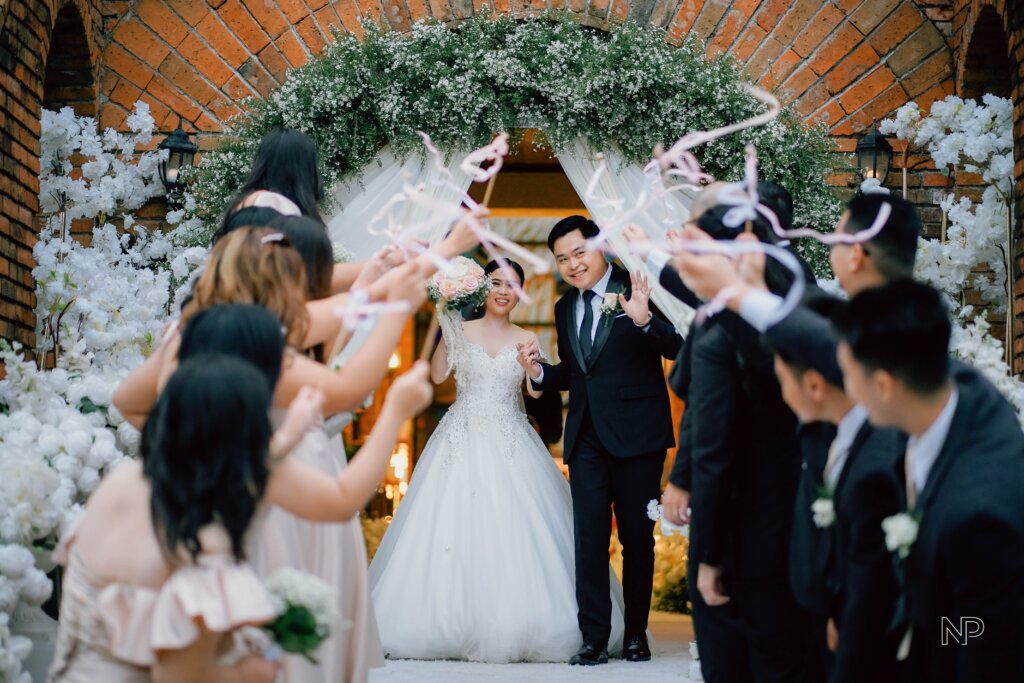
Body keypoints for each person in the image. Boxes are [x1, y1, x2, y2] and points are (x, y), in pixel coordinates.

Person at [369, 260, 623, 663]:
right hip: (461, 435)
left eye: (513, 285)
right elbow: (437, 376)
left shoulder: (527, 336)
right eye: (497, 283)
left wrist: (531, 367)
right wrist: (446, 322)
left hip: (510, 437)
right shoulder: (461, 329)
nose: (504, 291)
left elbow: (536, 393)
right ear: (482, 289)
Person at [832, 280, 1024, 683]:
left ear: (884, 386)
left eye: (847, 376)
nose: (844, 389)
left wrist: (931, 635)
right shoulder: (956, 385)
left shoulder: (977, 519)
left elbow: (981, 641)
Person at [516, 216, 683, 665]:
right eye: (562, 259)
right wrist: (537, 372)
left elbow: (678, 347)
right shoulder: (563, 307)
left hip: (638, 436)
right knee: (588, 540)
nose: (572, 265)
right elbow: (574, 373)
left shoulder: (638, 284)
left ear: (601, 248)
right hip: (586, 437)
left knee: (637, 539)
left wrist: (645, 321)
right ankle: (593, 638)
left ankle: (636, 634)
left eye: (579, 253)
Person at [770, 298, 905, 683]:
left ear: (814, 385)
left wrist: (843, 615)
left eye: (782, 381)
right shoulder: (835, 434)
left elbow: (870, 571)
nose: (782, 394)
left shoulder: (873, 462)